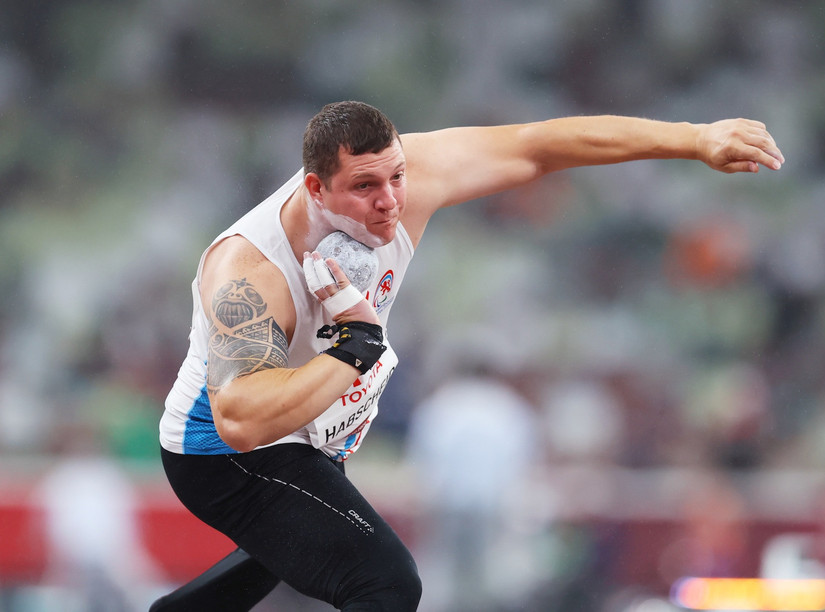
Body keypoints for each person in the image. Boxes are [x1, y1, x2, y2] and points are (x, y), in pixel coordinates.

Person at [152, 100, 784, 611]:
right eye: (365, 187)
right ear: (315, 188)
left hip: (312, 436)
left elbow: (537, 146)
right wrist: (355, 351)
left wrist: (694, 138)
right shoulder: (251, 271)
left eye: (395, 177)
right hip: (221, 455)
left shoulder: (411, 175)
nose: (390, 203)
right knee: (384, 584)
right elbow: (239, 419)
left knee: (279, 560)